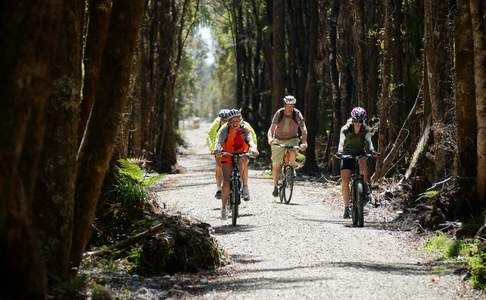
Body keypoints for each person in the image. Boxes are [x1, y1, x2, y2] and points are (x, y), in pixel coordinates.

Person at [215, 109, 259, 220]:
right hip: (227, 154)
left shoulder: (244, 130)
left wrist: (253, 149)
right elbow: (219, 142)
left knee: (243, 161)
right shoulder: (224, 130)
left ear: (240, 120)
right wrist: (217, 149)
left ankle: (245, 187)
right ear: (229, 121)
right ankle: (224, 208)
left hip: (241, 153)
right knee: (226, 181)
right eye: (232, 121)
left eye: (237, 120)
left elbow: (251, 141)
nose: (235, 123)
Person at [336, 107, 377, 219]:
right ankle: (346, 208)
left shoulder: (366, 129)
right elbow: (341, 140)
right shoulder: (345, 128)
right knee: (345, 180)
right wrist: (339, 151)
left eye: (360, 121)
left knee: (363, 162)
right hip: (347, 153)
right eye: (355, 121)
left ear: (363, 120)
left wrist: (372, 150)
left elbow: (369, 141)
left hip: (360, 153)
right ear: (352, 119)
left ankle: (365, 187)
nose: (358, 123)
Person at [267, 95, 308, 197]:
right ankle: (275, 187)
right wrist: (270, 139)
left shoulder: (297, 114)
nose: (290, 108)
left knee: (293, 150)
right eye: (288, 106)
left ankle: (291, 168)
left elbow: (303, 129)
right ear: (284, 105)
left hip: (292, 138)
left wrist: (304, 142)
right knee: (276, 164)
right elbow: (271, 129)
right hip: (278, 139)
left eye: (292, 106)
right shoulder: (279, 113)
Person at [206, 109, 230, 199]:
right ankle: (219, 188)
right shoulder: (216, 123)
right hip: (218, 145)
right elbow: (210, 136)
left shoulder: (234, 122)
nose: (224, 121)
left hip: (230, 144)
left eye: (226, 119)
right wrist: (213, 148)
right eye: (223, 119)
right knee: (219, 165)